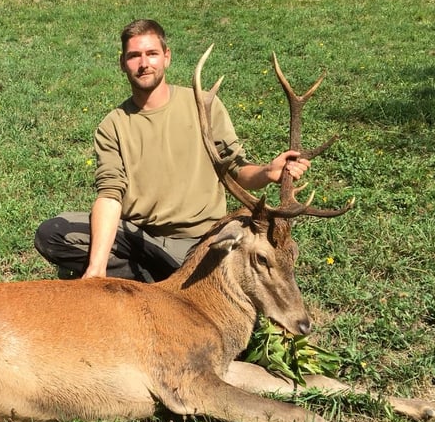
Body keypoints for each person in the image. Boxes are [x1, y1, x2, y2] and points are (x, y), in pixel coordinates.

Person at [34, 19, 311, 283]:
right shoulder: (113, 125)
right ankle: (171, 283)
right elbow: (109, 194)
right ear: (122, 63)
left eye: (152, 53)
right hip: (140, 237)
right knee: (54, 234)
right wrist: (96, 268)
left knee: (264, 250)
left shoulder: (203, 106)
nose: (144, 64)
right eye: (134, 56)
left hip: (204, 239)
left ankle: (156, 283)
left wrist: (267, 172)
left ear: (166, 56)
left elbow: (238, 169)